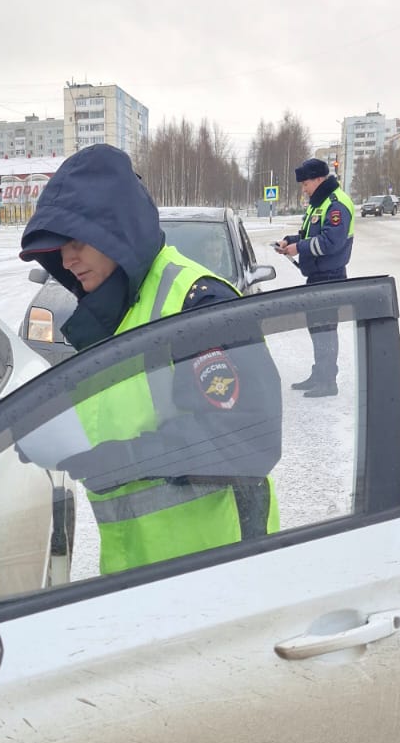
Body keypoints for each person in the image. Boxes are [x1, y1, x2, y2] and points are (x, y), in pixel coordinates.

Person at [18, 144, 281, 576]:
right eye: (58, 248)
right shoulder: (115, 314)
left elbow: (248, 438)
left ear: (115, 233)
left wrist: (116, 462)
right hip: (137, 571)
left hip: (220, 566)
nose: (66, 259)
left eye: (77, 241)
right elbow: (115, 415)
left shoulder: (196, 303)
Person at [275, 157, 355, 397]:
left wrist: (299, 249)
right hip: (318, 277)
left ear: (319, 179)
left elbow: (331, 242)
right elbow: (310, 234)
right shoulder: (318, 203)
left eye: (306, 183)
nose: (304, 188)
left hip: (331, 276)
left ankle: (328, 381)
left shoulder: (336, 204)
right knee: (316, 328)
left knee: (325, 330)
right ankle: (319, 374)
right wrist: (290, 241)